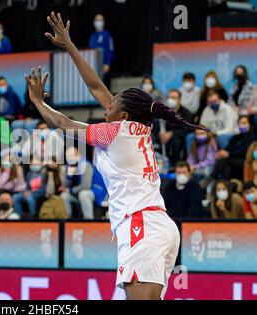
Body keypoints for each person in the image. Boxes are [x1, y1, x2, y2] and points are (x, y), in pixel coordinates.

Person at [28, 11, 207, 300]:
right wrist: (71, 46)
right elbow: (97, 86)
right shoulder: (138, 127)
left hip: (140, 227)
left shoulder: (112, 132)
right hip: (157, 227)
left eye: (112, 106)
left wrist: (36, 101)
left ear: (122, 114)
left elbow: (61, 123)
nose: (106, 106)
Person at [208, 116, 256, 182]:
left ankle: (210, 179)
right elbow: (228, 148)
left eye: (244, 123)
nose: (241, 125)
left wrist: (229, 154)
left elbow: (245, 150)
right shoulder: (235, 137)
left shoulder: (253, 137)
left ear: (250, 124)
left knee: (225, 161)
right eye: (240, 123)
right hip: (232, 160)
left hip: (244, 160)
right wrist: (221, 152)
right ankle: (224, 185)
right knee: (227, 168)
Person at [156, 89, 192, 166]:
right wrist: (160, 133)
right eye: (169, 97)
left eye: (174, 98)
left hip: (179, 138)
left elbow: (187, 129)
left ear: (179, 99)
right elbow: (159, 125)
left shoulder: (186, 113)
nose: (171, 100)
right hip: (164, 139)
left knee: (176, 142)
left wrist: (171, 134)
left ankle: (176, 166)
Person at [60, 147, 95, 219]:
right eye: (67, 157)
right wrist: (69, 176)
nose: (69, 159)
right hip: (77, 193)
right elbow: (64, 186)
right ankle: (67, 220)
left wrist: (71, 190)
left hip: (94, 191)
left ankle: (89, 220)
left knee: (83, 194)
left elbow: (86, 186)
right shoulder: (70, 166)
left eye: (72, 156)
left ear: (78, 155)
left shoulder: (85, 165)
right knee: (64, 196)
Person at [89, 14, 114, 88]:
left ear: (103, 22)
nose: (98, 22)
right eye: (97, 20)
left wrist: (107, 64)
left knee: (104, 86)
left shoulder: (107, 35)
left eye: (100, 20)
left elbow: (110, 50)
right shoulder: (92, 36)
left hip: (103, 64)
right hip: (94, 65)